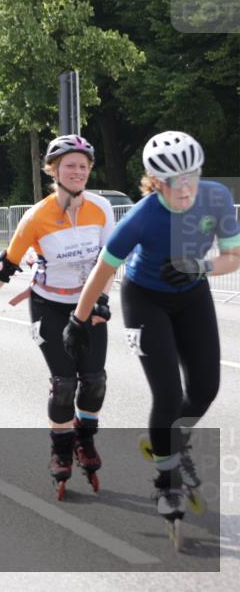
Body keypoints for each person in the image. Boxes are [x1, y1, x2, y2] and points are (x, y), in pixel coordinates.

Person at [64, 131, 240, 540]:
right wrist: (78, 319)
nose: (184, 190)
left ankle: (173, 440)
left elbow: (234, 256)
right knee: (167, 396)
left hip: (192, 292)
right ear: (154, 181)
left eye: (191, 178)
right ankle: (167, 482)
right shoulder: (142, 216)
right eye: (172, 182)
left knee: (205, 390)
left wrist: (200, 267)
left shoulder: (214, 199)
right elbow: (103, 270)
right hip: (145, 300)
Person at [0, 135, 115, 500]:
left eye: (83, 166)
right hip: (49, 306)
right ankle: (61, 450)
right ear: (54, 170)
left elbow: (111, 261)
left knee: (94, 382)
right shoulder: (37, 216)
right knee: (65, 384)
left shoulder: (101, 208)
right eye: (69, 166)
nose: (77, 172)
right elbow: (7, 264)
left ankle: (85, 440)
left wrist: (102, 299)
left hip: (87, 304)